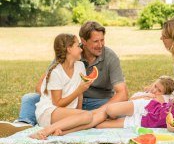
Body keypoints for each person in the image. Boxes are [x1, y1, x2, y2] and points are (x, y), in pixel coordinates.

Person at [0, 21, 129, 137]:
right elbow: (41, 86)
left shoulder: (109, 57)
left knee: (120, 110)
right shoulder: (66, 56)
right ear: (83, 41)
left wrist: (102, 110)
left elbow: (122, 93)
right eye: (96, 41)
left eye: (102, 40)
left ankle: (66, 126)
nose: (100, 45)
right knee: (30, 98)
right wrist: (60, 97)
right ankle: (24, 124)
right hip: (64, 101)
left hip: (97, 101)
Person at [54, 74, 174, 135]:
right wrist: (146, 95)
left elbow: (166, 100)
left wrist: (156, 96)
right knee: (109, 111)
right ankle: (64, 126)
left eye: (159, 90)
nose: (155, 90)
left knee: (98, 125)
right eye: (155, 86)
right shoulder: (144, 94)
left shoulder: (165, 98)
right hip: (136, 108)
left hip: (138, 119)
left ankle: (65, 131)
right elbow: (132, 99)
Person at [29, 34, 93, 140]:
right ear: (69, 49)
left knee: (90, 118)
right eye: (78, 46)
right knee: (88, 116)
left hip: (66, 113)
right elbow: (57, 103)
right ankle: (45, 131)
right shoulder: (56, 72)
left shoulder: (80, 66)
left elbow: (80, 95)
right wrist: (79, 91)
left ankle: (61, 132)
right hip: (49, 112)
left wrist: (79, 114)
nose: (81, 49)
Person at [98, 69, 174, 132]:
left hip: (146, 121)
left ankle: (88, 118)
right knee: (110, 110)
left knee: (100, 125)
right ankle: (90, 115)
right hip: (150, 107)